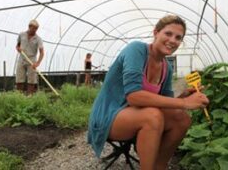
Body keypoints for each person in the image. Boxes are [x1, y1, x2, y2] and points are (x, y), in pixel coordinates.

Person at [87, 15, 209, 170]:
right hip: (109, 115)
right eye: (168, 33)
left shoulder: (167, 67)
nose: (173, 40)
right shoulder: (136, 50)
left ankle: (159, 166)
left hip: (135, 114)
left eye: (178, 38)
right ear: (156, 32)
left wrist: (183, 96)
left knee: (181, 118)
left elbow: (165, 103)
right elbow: (134, 97)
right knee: (152, 116)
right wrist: (185, 103)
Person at [15, 19, 44, 95]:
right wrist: (18, 48)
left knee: (31, 80)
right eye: (33, 28)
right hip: (22, 58)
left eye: (36, 29)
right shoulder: (21, 35)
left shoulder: (38, 39)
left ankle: (30, 96)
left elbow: (42, 52)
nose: (35, 30)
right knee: (19, 79)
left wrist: (37, 63)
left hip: (32, 60)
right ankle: (19, 96)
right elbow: (18, 45)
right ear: (29, 27)